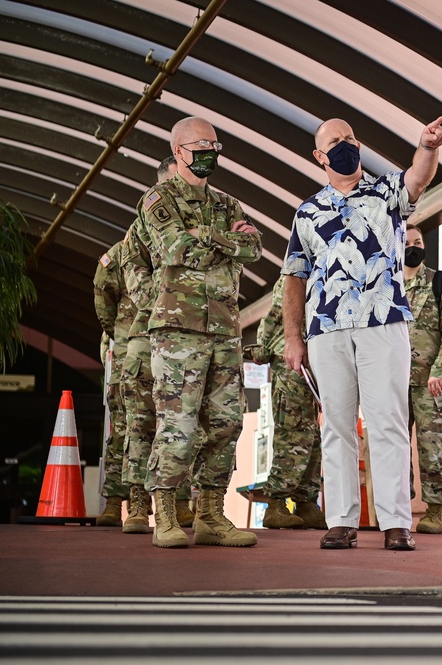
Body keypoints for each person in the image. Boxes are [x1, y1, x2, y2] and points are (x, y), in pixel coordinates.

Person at [283, 116, 442, 551]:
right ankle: (341, 521)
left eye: (351, 139)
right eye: (335, 142)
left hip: (384, 321)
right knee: (336, 425)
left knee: (388, 422)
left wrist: (428, 147)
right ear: (320, 157)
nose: (346, 146)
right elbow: (294, 278)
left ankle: (396, 523)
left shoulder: (385, 192)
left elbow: (418, 177)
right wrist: (293, 336)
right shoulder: (307, 212)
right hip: (327, 328)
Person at [137, 116, 262, 548]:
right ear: (178, 153)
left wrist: (206, 237)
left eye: (214, 144)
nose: (209, 151)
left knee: (226, 423)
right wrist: (225, 240)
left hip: (225, 329)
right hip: (178, 333)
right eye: (200, 145)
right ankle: (165, 515)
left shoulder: (229, 203)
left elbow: (255, 247)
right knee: (179, 425)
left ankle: (210, 514)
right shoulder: (157, 199)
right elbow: (175, 248)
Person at [118, 155, 194, 535]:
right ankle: (137, 505)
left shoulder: (204, 218)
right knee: (143, 422)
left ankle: (181, 504)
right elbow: (137, 282)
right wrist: (175, 298)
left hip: (191, 336)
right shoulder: (138, 231)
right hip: (148, 336)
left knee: (184, 422)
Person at [243, 274, 326, 530]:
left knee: (313, 438)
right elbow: (276, 313)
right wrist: (264, 346)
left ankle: (306, 502)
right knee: (293, 434)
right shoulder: (296, 272)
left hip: (318, 361)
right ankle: (276, 504)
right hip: (293, 361)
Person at [402, 224, 442, 534]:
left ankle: (434, 511)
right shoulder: (386, 285)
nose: (412, 247)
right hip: (393, 383)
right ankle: (397, 508)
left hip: (430, 383)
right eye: (406, 242)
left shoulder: (439, 283)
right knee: (394, 449)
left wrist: (441, 371)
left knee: (432, 447)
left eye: (417, 242)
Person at [93, 244, 132, 526]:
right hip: (127, 350)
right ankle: (115, 502)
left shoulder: (175, 243)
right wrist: (120, 335)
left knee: (173, 430)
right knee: (121, 428)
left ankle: (178, 504)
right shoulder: (121, 252)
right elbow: (103, 297)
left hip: (168, 351)